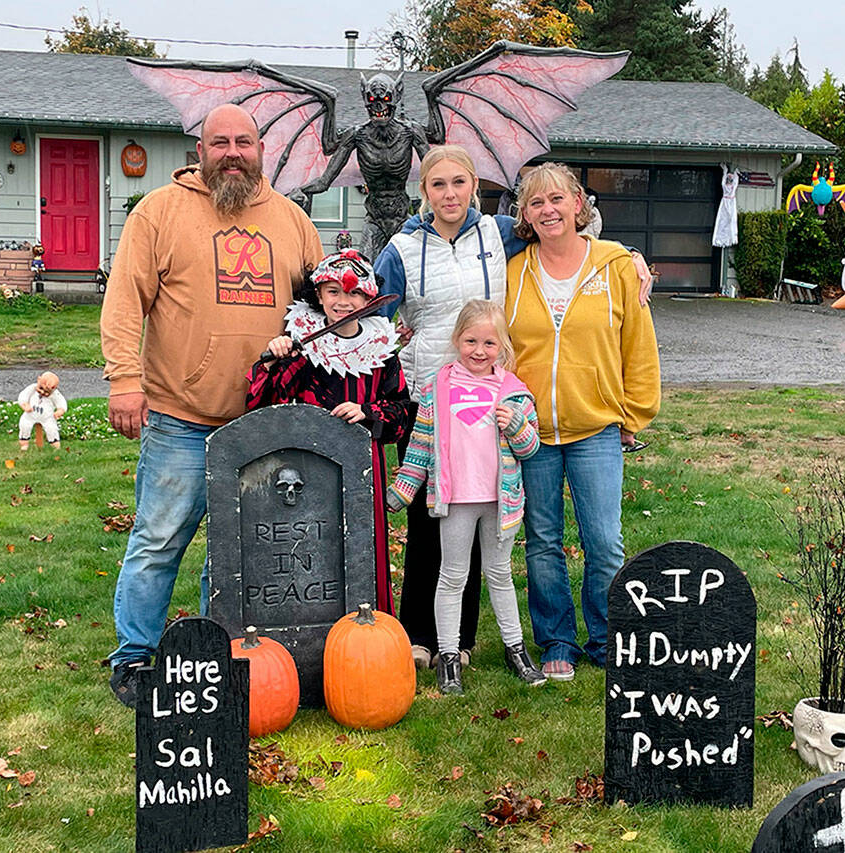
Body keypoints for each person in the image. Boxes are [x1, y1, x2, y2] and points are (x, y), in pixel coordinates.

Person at [374, 145, 654, 671]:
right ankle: (428, 634)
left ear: (475, 186)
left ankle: (481, 639)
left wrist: (629, 257)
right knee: (440, 520)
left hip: (511, 405)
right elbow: (371, 308)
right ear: (425, 192)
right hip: (433, 393)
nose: (450, 193)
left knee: (506, 520)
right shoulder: (407, 247)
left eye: (460, 182)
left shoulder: (497, 235)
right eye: (438, 185)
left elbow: (568, 239)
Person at [100, 103, 323, 707]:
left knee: (238, 549)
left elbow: (322, 309)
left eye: (243, 142)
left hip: (262, 422)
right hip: (181, 416)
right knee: (159, 539)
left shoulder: (292, 220)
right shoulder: (160, 212)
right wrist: (125, 379)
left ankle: (211, 655)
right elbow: (125, 300)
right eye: (219, 141)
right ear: (199, 150)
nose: (232, 152)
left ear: (261, 151)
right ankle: (134, 658)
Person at [504, 162, 661, 682]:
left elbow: (637, 343)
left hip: (596, 428)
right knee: (542, 540)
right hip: (531, 435)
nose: (548, 210)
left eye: (557, 199)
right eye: (535, 203)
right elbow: (502, 351)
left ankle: (607, 638)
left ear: (577, 204)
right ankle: (556, 641)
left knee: (604, 541)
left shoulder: (615, 264)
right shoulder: (513, 272)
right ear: (524, 215)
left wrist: (634, 413)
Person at [387, 300, 545, 694]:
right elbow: (421, 446)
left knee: (500, 575)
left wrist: (518, 427)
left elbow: (531, 449)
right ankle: (449, 656)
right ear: (457, 339)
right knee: (452, 576)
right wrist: (402, 490)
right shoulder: (439, 387)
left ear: (503, 346)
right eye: (471, 340)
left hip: (499, 501)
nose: (479, 350)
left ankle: (515, 649)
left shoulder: (515, 393)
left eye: (489, 343)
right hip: (456, 500)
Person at [247, 249, 412, 614]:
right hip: (308, 466)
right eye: (334, 291)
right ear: (318, 295)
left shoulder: (381, 349)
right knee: (310, 545)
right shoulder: (303, 344)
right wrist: (275, 359)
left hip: (363, 467)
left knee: (361, 545)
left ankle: (370, 637)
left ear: (369, 298)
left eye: (354, 293)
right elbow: (263, 406)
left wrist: (367, 412)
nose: (344, 300)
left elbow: (401, 414)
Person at [16, 371, 67, 450]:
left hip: (47, 417)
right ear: (38, 380)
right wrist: (25, 404)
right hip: (30, 415)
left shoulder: (55, 394)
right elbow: (23, 396)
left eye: (47, 392)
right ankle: (24, 444)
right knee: (24, 425)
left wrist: (60, 410)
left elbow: (61, 402)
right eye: (41, 388)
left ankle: (55, 446)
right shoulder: (32, 388)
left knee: (52, 429)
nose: (43, 392)